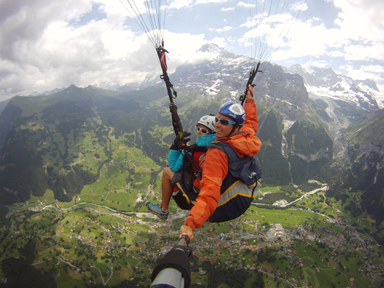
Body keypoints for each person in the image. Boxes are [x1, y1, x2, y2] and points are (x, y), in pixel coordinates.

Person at [179, 85, 261, 240]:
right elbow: (251, 122)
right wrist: (249, 99)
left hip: (222, 206)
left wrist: (190, 224)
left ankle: (163, 209)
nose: (217, 124)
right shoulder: (245, 136)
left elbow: (209, 192)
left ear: (236, 126)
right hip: (243, 195)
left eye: (223, 122)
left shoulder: (216, 154)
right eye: (217, 119)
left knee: (175, 174)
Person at [146, 115, 217, 220]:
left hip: (190, 197)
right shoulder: (219, 149)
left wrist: (175, 146)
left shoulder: (192, 151)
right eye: (198, 129)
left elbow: (173, 167)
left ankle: (163, 210)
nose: (198, 132)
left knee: (167, 171)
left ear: (212, 133)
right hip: (211, 194)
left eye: (203, 131)